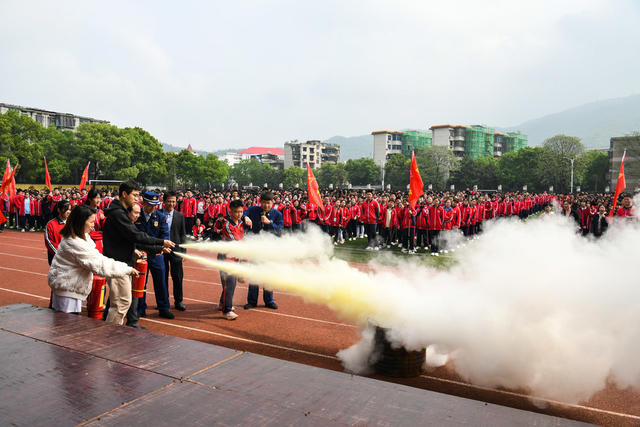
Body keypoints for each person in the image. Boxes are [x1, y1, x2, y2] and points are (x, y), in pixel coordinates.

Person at [102, 181, 174, 326]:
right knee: (121, 303)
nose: (137, 199)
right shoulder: (118, 214)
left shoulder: (120, 212)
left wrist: (157, 247)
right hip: (118, 263)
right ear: (124, 194)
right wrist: (160, 242)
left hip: (123, 263)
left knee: (121, 301)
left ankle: (112, 330)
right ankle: (110, 334)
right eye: (134, 195)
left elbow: (135, 240)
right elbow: (136, 235)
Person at [48, 204, 138, 314]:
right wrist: (126, 269)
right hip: (67, 292)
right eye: (91, 222)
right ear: (81, 222)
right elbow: (98, 264)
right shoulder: (74, 242)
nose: (93, 225)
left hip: (70, 288)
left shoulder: (83, 237)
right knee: (65, 325)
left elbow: (97, 257)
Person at [133, 191, 175, 320]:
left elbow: (165, 235)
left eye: (156, 205)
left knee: (161, 282)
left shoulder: (161, 217)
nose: (153, 208)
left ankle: (163, 308)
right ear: (144, 203)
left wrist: (163, 248)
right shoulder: (136, 215)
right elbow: (134, 236)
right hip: (141, 255)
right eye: (150, 205)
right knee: (140, 282)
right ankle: (140, 308)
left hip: (157, 255)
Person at [242, 191, 282, 310]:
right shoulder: (253, 210)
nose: (266, 206)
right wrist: (246, 217)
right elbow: (242, 213)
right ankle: (252, 301)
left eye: (268, 203)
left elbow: (279, 231)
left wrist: (270, 223)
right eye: (264, 203)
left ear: (272, 203)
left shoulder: (277, 214)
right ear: (260, 203)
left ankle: (269, 300)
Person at [214, 199, 247, 320]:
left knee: (229, 284)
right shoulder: (227, 225)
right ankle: (226, 310)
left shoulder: (241, 223)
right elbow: (238, 241)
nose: (239, 214)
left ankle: (222, 303)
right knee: (230, 283)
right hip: (225, 259)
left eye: (241, 212)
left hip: (235, 258)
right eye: (236, 212)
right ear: (230, 211)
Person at [163, 190, 188, 311]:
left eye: (173, 201)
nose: (171, 204)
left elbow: (183, 234)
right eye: (169, 201)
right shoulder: (158, 214)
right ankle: (163, 301)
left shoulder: (180, 216)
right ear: (164, 202)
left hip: (176, 250)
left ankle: (179, 301)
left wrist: (183, 251)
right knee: (162, 277)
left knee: (177, 277)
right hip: (161, 250)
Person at [45, 200, 72, 265]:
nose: (68, 212)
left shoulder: (72, 223)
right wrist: (61, 255)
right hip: (56, 259)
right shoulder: (51, 224)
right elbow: (49, 242)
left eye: (70, 209)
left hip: (71, 259)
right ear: (59, 210)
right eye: (66, 209)